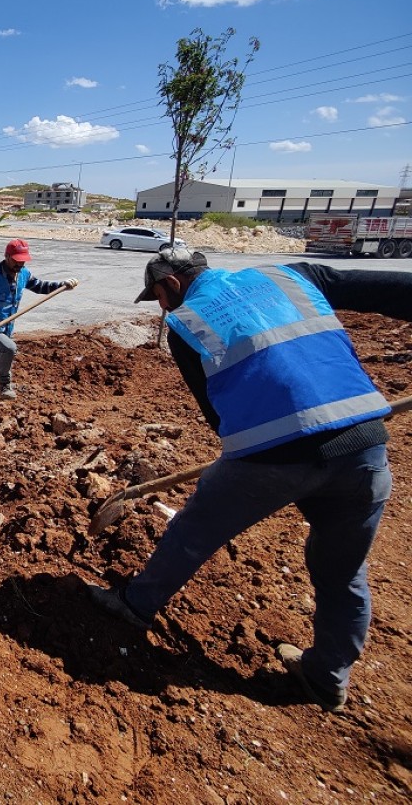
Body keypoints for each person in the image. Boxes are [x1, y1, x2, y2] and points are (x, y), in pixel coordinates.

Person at [88, 246, 412, 714]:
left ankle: (136, 605)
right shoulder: (294, 275)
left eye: (158, 296)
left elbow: (214, 412)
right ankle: (327, 677)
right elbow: (389, 290)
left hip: (272, 454)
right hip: (363, 442)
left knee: (193, 532)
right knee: (343, 572)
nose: (162, 307)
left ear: (172, 284)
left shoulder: (187, 322)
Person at [0, 238, 78, 401]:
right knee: (10, 348)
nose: (20, 265)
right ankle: (5, 385)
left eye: (23, 261)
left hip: (5, 329)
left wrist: (62, 285)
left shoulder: (23, 274)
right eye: (16, 261)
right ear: (7, 256)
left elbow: (41, 287)